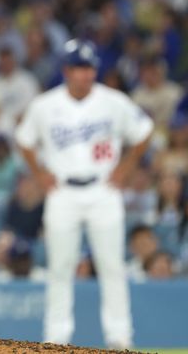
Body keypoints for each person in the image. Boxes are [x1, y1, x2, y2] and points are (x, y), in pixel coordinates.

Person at [15, 39, 153, 349]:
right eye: (79, 68)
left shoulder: (113, 101)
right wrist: (39, 174)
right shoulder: (45, 105)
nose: (85, 74)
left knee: (112, 266)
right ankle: (56, 337)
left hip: (104, 189)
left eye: (90, 68)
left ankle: (120, 338)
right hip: (63, 191)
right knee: (60, 267)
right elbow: (23, 139)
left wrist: (126, 167)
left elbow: (144, 131)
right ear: (66, 71)